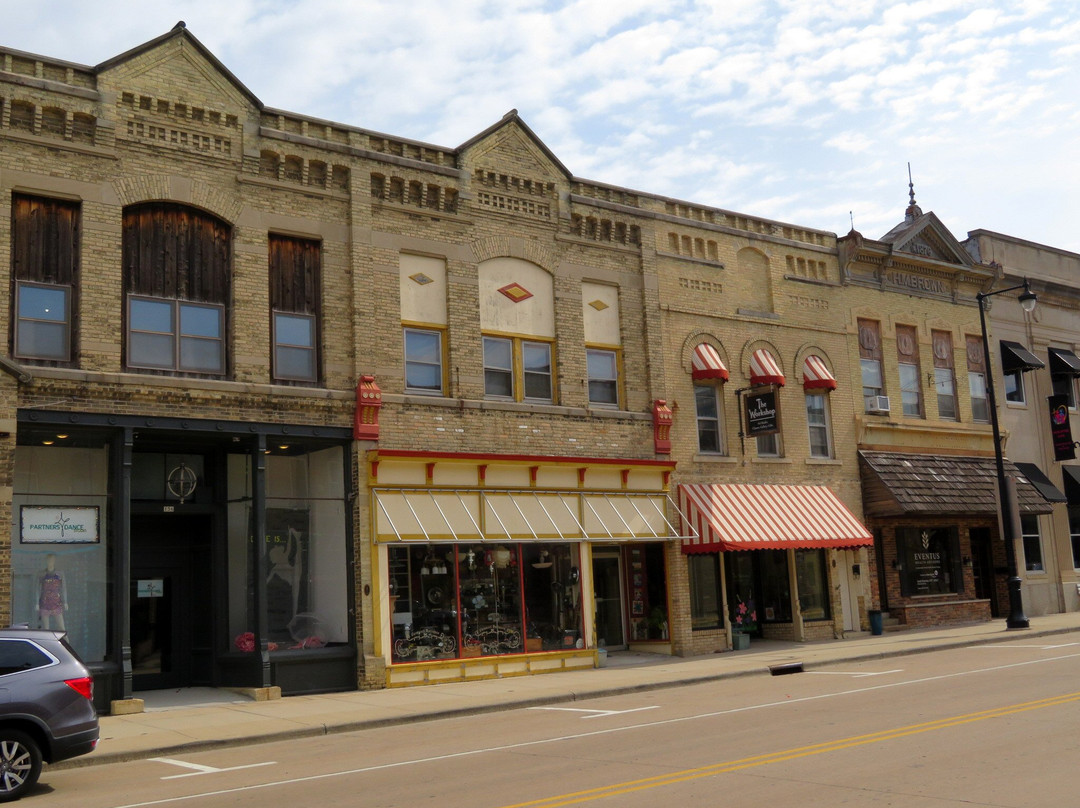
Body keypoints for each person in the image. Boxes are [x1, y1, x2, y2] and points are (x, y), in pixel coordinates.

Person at [37, 553, 67, 631]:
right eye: (48, 560)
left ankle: (67, 643)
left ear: (54, 561)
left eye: (52, 560)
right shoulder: (41, 574)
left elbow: (63, 588)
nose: (50, 562)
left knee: (62, 629)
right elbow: (38, 589)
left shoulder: (60, 574)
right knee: (46, 629)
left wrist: (65, 602)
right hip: (44, 603)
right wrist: (36, 603)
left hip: (56, 603)